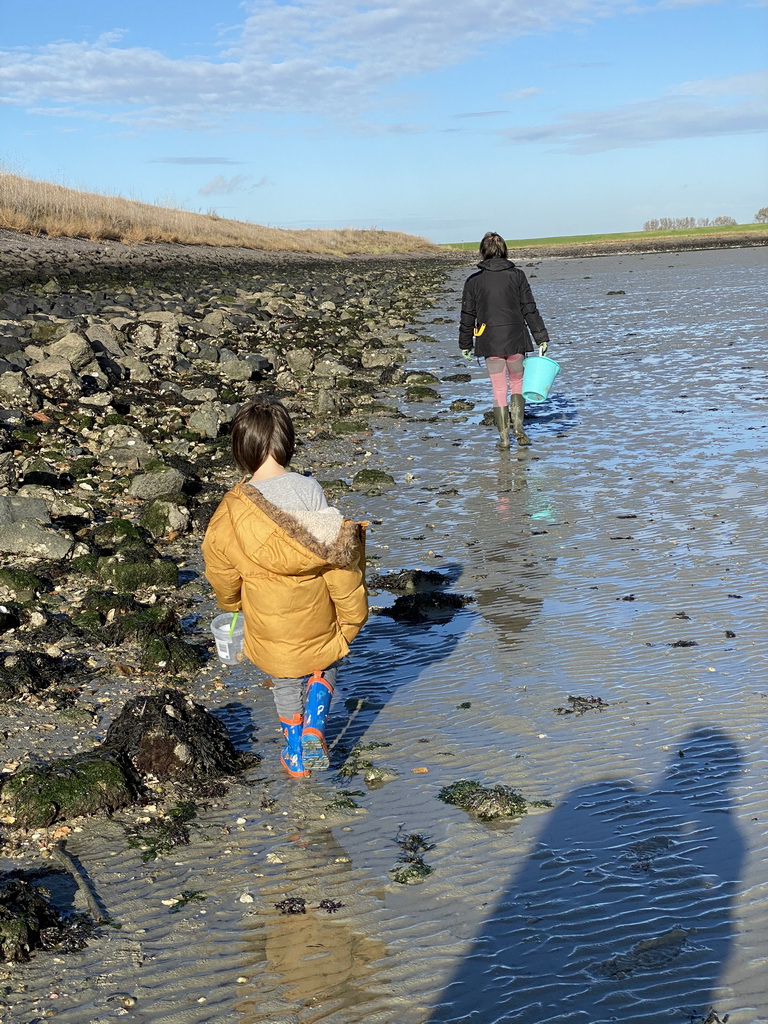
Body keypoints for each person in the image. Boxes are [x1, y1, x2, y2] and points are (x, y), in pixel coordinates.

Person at [202, 396, 368, 778]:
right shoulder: (309, 491)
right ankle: (315, 724)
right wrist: (352, 613)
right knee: (326, 657)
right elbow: (334, 558)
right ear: (288, 443)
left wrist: (230, 603)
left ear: (241, 450)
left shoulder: (233, 506)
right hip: (315, 606)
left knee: (284, 676)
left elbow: (221, 565)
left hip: (266, 614)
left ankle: (294, 752)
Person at [459, 231, 551, 449]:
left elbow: (467, 316)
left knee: (499, 389)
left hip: (489, 341)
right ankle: (519, 429)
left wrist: (465, 344)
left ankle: (503, 438)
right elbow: (529, 308)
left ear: (483, 252)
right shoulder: (517, 276)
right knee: (518, 384)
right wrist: (541, 337)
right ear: (504, 251)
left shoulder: (473, 281)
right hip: (516, 339)